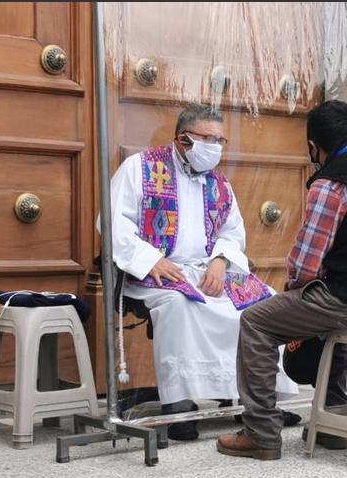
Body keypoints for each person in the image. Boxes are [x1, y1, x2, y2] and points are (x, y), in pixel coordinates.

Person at [216, 100, 347, 460]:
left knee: (256, 321)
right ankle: (332, 421)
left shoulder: (332, 182)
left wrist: (295, 295)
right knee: (334, 307)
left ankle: (260, 433)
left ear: (314, 146)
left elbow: (305, 264)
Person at [106, 103, 299, 440]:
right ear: (184, 139)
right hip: (157, 271)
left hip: (208, 269)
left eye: (221, 140)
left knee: (264, 303)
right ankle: (178, 407)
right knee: (181, 307)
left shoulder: (219, 183)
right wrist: (151, 259)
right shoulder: (140, 168)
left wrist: (221, 262)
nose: (217, 148)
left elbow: (232, 232)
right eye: (210, 139)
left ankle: (260, 402)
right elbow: (112, 225)